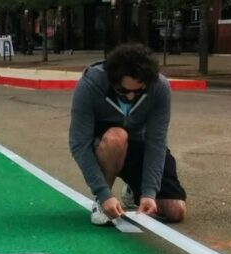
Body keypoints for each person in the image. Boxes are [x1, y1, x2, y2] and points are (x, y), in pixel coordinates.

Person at [69, 43, 186, 226]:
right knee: (118, 136)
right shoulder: (91, 84)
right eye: (124, 91)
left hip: (138, 145)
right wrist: (103, 193)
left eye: (138, 91)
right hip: (106, 146)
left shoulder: (159, 87)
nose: (131, 97)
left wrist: (149, 193)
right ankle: (102, 203)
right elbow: (79, 143)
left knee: (176, 211)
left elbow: (156, 142)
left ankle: (134, 190)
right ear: (113, 80)